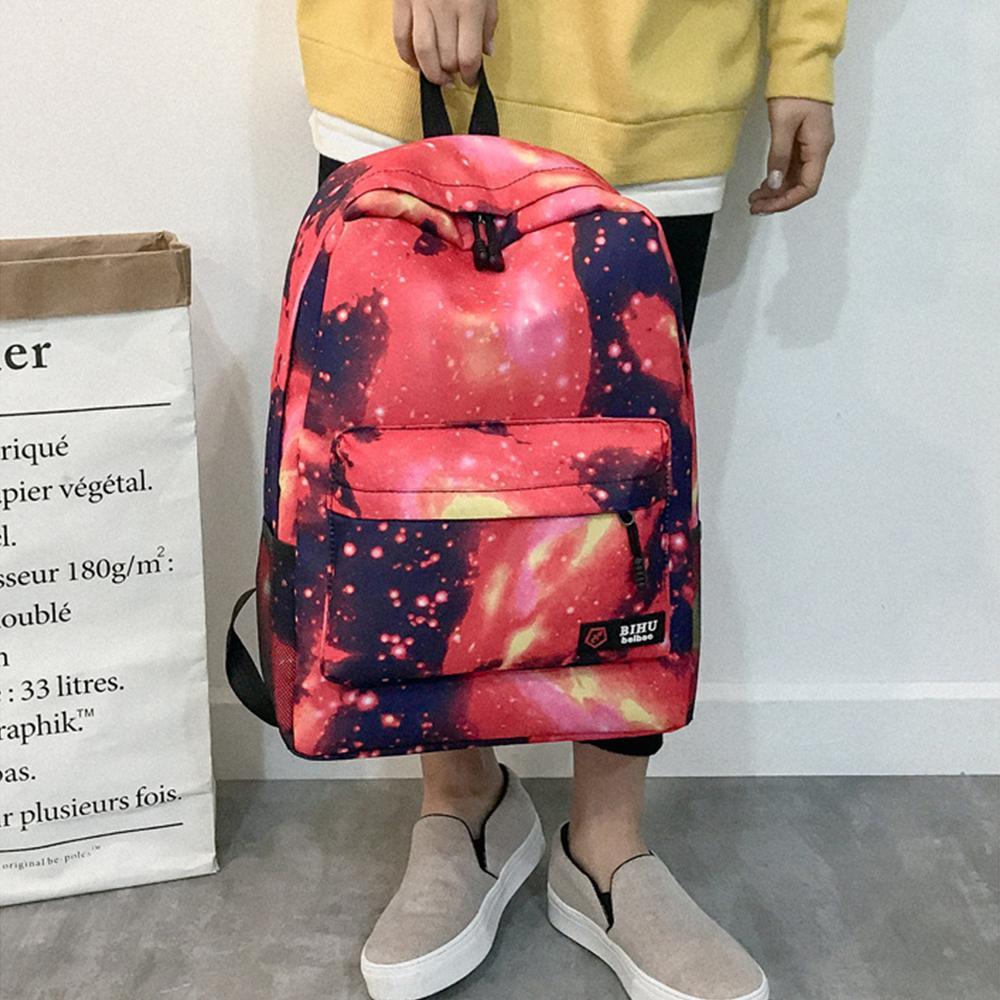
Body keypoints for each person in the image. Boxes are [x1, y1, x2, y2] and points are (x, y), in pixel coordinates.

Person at [295, 2, 847, 998]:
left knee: (623, 487)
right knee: (415, 477)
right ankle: (461, 801)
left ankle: (605, 846)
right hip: (405, 61)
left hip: (656, 61)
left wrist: (806, 45)